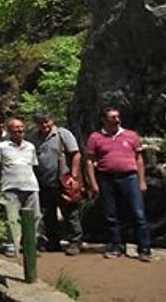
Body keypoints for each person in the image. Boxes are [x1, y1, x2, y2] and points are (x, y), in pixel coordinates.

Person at [85, 107, 152, 262]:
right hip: (106, 178)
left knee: (138, 213)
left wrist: (142, 181)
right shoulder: (95, 137)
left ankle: (144, 249)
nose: (116, 120)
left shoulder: (131, 135)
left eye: (118, 117)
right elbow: (89, 161)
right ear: (104, 119)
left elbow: (139, 159)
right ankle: (116, 246)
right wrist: (93, 183)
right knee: (111, 215)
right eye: (112, 117)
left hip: (130, 178)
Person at [28, 112, 84, 255]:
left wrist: (74, 175)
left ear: (52, 120)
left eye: (47, 122)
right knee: (48, 213)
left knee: (70, 212)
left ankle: (75, 241)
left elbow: (76, 154)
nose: (45, 125)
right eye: (41, 123)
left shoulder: (62, 134)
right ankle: (53, 241)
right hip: (43, 181)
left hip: (63, 180)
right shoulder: (33, 136)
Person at [0, 116, 40, 258]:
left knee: (35, 217)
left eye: (21, 128)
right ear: (9, 130)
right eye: (16, 128)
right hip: (10, 187)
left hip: (31, 187)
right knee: (12, 218)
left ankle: (30, 245)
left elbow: (33, 165)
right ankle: (12, 246)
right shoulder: (1, 147)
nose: (20, 130)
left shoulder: (30, 147)